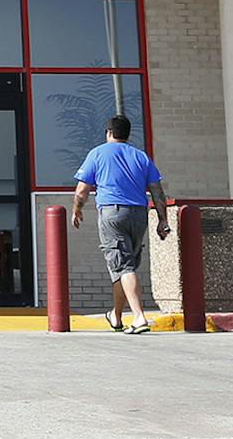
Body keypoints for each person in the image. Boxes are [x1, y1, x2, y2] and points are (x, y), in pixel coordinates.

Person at [70, 116, 170, 333]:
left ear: (109, 132)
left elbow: (82, 189)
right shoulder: (141, 156)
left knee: (124, 267)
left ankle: (139, 317)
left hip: (112, 214)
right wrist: (163, 220)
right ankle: (116, 316)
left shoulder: (97, 153)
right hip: (139, 215)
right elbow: (157, 191)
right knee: (124, 267)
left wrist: (77, 209)